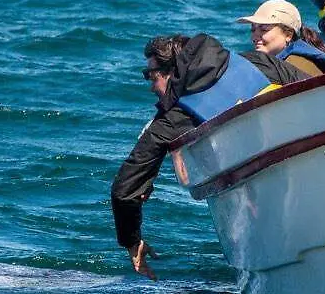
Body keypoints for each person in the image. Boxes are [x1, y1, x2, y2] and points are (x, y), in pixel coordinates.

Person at [110, 34, 272, 279]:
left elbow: (123, 191)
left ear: (171, 73)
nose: (151, 86)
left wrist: (132, 242)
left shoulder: (174, 119)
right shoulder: (254, 62)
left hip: (263, 199)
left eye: (151, 76)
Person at [237, 0, 325, 77]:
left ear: (288, 35)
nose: (254, 36)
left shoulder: (296, 64)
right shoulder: (279, 64)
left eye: (264, 29)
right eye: (253, 29)